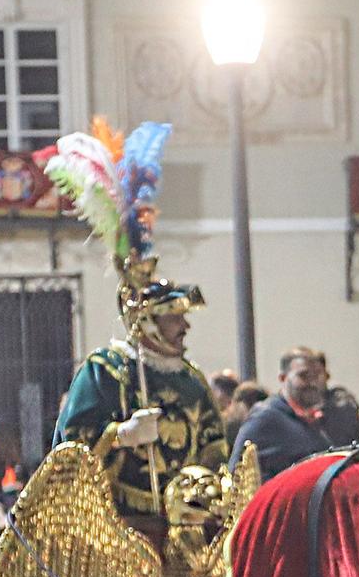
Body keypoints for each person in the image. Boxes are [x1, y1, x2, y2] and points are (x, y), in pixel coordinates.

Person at [46, 122, 227, 517]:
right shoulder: (105, 371)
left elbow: (216, 445)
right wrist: (119, 436)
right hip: (121, 519)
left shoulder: (191, 379)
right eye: (173, 318)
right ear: (146, 322)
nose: (185, 327)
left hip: (186, 519)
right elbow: (69, 449)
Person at [229, 348, 333, 479]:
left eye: (317, 375)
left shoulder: (321, 420)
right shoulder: (264, 418)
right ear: (283, 378)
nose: (312, 383)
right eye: (303, 376)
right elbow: (236, 474)